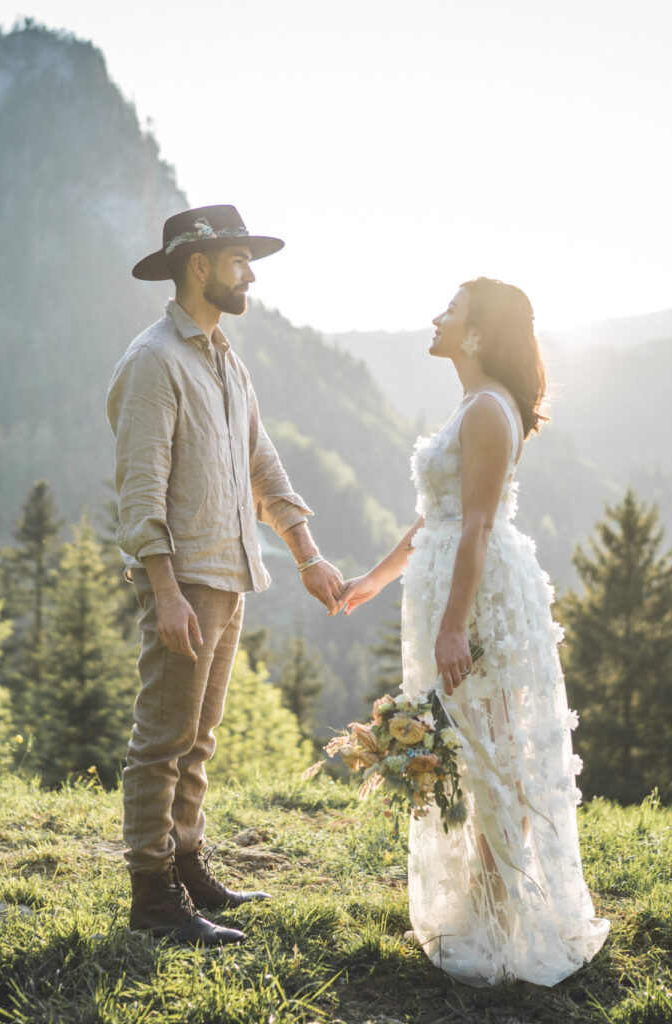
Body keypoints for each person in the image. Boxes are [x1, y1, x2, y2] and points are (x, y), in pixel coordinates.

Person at [337, 278, 610, 985]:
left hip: (480, 596)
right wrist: (375, 579)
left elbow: (479, 525)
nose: (437, 318)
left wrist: (455, 626)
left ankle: (498, 922)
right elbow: (437, 516)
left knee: (493, 755)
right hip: (449, 584)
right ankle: (482, 906)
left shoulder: (489, 408)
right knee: (472, 747)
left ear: (479, 331)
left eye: (451, 310)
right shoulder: (472, 402)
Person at [108, 204, 346, 945]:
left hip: (230, 576)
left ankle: (187, 866)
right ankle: (153, 901)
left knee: (199, 739)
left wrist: (307, 555)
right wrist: (165, 591)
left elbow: (262, 465)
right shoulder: (154, 361)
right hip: (184, 584)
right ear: (200, 265)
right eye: (240, 261)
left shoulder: (224, 359)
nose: (250, 276)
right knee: (162, 742)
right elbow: (140, 491)